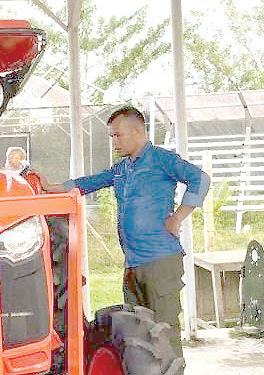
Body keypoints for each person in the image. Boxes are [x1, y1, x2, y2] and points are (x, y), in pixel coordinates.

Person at [34, 105, 210, 356]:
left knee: (164, 330)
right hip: (133, 264)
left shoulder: (161, 159)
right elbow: (90, 182)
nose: (114, 141)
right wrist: (51, 187)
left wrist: (178, 217)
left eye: (118, 135)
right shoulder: (123, 168)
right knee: (138, 333)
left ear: (138, 131)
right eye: (111, 136)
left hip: (160, 261)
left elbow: (200, 179)